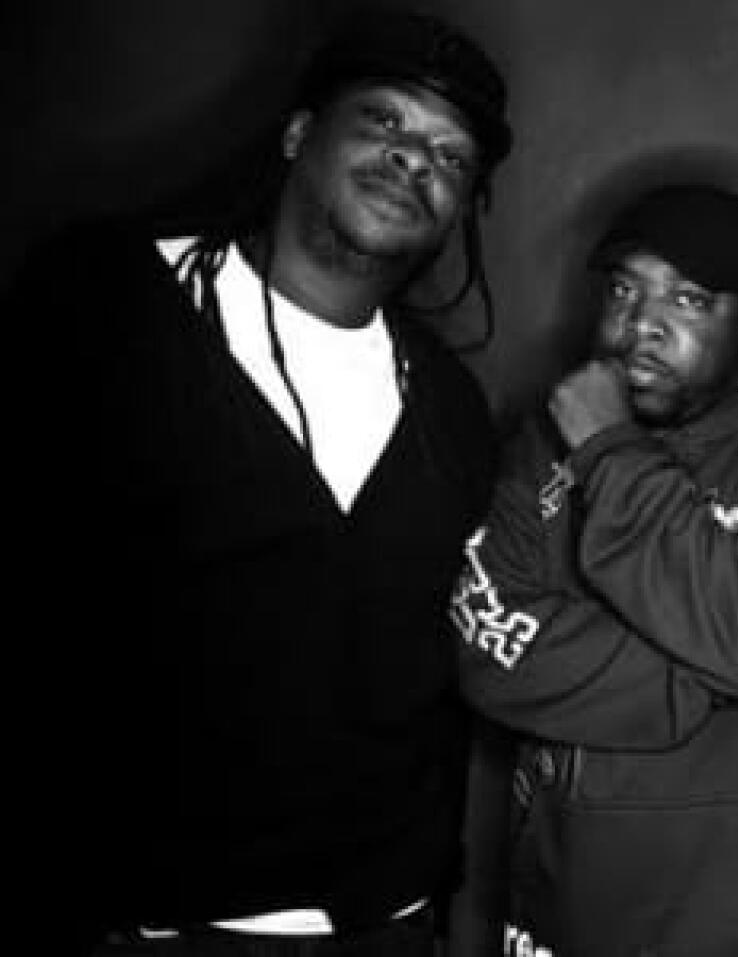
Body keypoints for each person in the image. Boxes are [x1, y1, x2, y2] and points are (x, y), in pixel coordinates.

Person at [5, 8, 514, 955]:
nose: (414, 159)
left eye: (450, 156)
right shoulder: (112, 304)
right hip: (155, 919)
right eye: (384, 120)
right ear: (297, 133)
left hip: (389, 921)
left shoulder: (450, 407)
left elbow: (460, 660)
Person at [452, 182, 738, 956]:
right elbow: (484, 647)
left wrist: (608, 449)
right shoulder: (541, 442)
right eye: (625, 290)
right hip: (563, 915)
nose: (641, 325)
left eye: (687, 299)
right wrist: (723, 675)